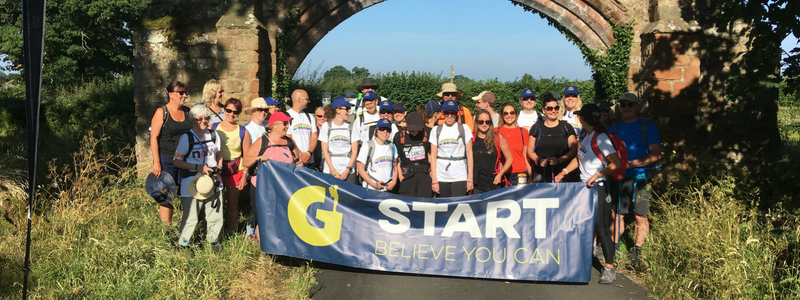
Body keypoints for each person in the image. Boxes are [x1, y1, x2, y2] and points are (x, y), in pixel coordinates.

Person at [555, 103, 621, 284]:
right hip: (585, 188)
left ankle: (609, 268)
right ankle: (586, 257)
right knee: (585, 225)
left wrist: (598, 174)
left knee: (601, 227)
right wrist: (564, 172)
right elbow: (579, 158)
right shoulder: (586, 136)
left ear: (583, 118)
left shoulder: (601, 139)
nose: (578, 119)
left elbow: (616, 163)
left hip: (599, 187)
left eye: (579, 117)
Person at [609, 92, 661, 272]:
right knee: (617, 214)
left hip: (641, 178)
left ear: (637, 106)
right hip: (620, 178)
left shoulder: (647, 126)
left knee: (640, 215)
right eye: (623, 104)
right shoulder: (615, 128)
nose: (626, 108)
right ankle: (615, 250)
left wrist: (630, 164)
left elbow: (655, 154)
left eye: (630, 104)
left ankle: (637, 251)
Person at [242, 112, 303, 240]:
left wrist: (299, 165)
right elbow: (246, 161)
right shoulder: (262, 141)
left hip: (283, 187)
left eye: (288, 123)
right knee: (263, 216)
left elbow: (298, 161)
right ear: (274, 125)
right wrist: (259, 158)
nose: (287, 126)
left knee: (280, 216)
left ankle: (276, 243)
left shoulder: (290, 142)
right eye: (284, 123)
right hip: (262, 186)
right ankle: (260, 244)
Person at [172, 105, 224, 251]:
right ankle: (183, 243)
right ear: (193, 121)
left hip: (213, 182)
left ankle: (214, 242)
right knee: (191, 217)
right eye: (199, 118)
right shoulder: (186, 138)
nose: (203, 121)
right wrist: (198, 168)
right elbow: (176, 161)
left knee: (215, 214)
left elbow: (219, 154)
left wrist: (219, 168)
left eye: (206, 118)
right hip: (192, 183)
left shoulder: (214, 135)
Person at [149, 80, 192, 226]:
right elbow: (153, 137)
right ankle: (166, 230)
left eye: (186, 92)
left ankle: (184, 228)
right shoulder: (162, 112)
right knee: (166, 195)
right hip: (167, 159)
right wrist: (156, 162)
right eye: (181, 93)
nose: (184, 95)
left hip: (185, 160)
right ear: (171, 94)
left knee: (186, 195)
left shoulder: (188, 111)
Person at [212, 98, 251, 236]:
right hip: (217, 168)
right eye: (228, 110)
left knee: (233, 204)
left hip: (236, 169)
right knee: (214, 203)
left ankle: (231, 232)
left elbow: (246, 156)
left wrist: (245, 175)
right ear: (224, 110)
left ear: (239, 113)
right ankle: (214, 232)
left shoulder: (243, 131)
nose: (231, 114)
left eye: (235, 112)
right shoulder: (214, 127)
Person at [528, 93, 578, 183]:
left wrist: (559, 160)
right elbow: (530, 149)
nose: (553, 111)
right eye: (550, 108)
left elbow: (573, 150)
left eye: (556, 108)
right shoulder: (537, 127)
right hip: (540, 173)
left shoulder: (566, 127)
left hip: (561, 173)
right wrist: (538, 160)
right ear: (544, 110)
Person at [430, 100, 474, 197]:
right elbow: (433, 156)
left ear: (456, 114)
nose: (449, 116)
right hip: (441, 176)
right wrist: (434, 180)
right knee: (443, 208)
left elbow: (470, 155)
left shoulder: (464, 128)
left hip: (460, 175)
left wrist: (470, 179)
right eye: (447, 113)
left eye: (452, 113)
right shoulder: (436, 130)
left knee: (458, 206)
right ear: (443, 113)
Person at [472, 110, 514, 193]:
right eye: (481, 122)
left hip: (494, 181)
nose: (484, 124)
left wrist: (500, 174)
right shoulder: (471, 138)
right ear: (476, 122)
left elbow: (510, 159)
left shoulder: (498, 138)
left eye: (487, 122)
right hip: (476, 183)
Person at [319, 97, 359, 183]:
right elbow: (325, 151)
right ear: (338, 110)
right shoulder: (326, 126)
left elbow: (354, 151)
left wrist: (347, 170)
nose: (349, 111)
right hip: (330, 171)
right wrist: (333, 171)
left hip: (348, 171)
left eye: (350, 109)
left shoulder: (352, 127)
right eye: (347, 109)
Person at [394, 112, 433, 197]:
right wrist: (400, 175)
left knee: (425, 203)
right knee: (407, 204)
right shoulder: (399, 136)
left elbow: (430, 155)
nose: (415, 132)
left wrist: (432, 171)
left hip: (424, 174)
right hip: (407, 175)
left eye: (417, 130)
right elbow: (396, 159)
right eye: (412, 130)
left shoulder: (426, 134)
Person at [357, 118, 399, 191]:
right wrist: (373, 184)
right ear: (376, 131)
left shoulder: (392, 146)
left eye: (388, 130)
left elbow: (395, 166)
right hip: (371, 188)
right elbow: (360, 168)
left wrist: (394, 182)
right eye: (382, 129)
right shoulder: (368, 146)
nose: (385, 132)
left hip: (388, 188)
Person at [497, 103, 532, 186]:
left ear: (516, 115)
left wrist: (531, 174)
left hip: (520, 173)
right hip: (502, 173)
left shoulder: (523, 132)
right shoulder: (496, 131)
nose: (509, 116)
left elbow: (525, 155)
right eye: (506, 113)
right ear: (502, 115)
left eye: (512, 113)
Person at [286, 89, 318, 167]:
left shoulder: (310, 117)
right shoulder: (286, 116)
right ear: (299, 99)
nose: (308, 101)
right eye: (307, 99)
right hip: (295, 162)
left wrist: (308, 153)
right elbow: (288, 137)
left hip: (310, 161)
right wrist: (300, 154)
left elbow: (314, 137)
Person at [313, 106, 328, 171]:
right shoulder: (312, 130)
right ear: (316, 117)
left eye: (325, 116)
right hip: (314, 160)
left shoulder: (330, 130)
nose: (322, 118)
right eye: (319, 116)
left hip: (326, 160)